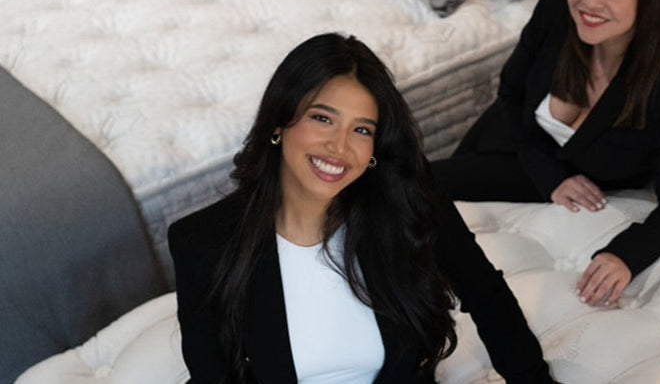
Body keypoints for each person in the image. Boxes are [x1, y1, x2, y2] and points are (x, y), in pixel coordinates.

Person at [168, 34, 556, 383]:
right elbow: (212, 375)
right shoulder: (203, 242)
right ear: (278, 123)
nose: (339, 147)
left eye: (361, 129)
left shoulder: (410, 205)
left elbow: (488, 298)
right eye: (323, 118)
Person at [430, 0, 660, 308]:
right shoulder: (555, 9)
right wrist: (552, 177)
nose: (590, 1)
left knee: (417, 181)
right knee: (410, 179)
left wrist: (624, 255)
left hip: (527, 173)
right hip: (509, 139)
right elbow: (509, 93)